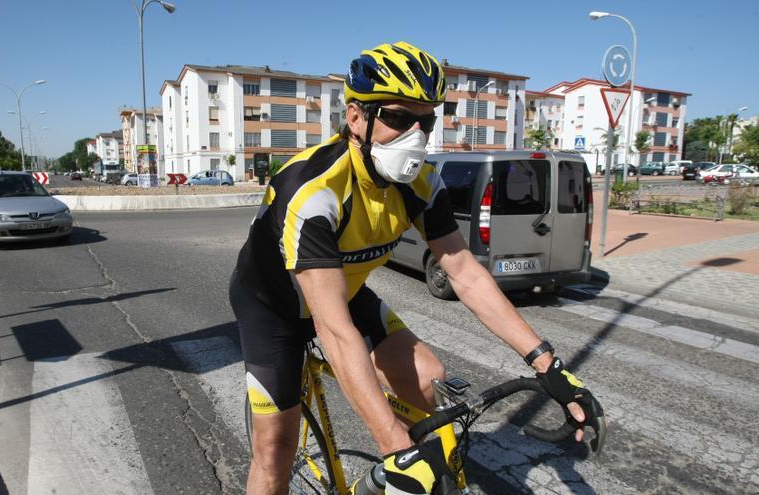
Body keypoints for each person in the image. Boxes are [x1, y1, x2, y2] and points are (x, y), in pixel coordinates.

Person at [229, 41, 590, 495]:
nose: (415, 136)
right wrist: (393, 445)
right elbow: (333, 328)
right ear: (357, 116)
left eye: (426, 120)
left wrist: (547, 362)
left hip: (343, 290)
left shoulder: (422, 182)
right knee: (275, 448)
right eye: (399, 118)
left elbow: (465, 272)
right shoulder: (313, 190)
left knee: (427, 378)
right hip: (274, 307)